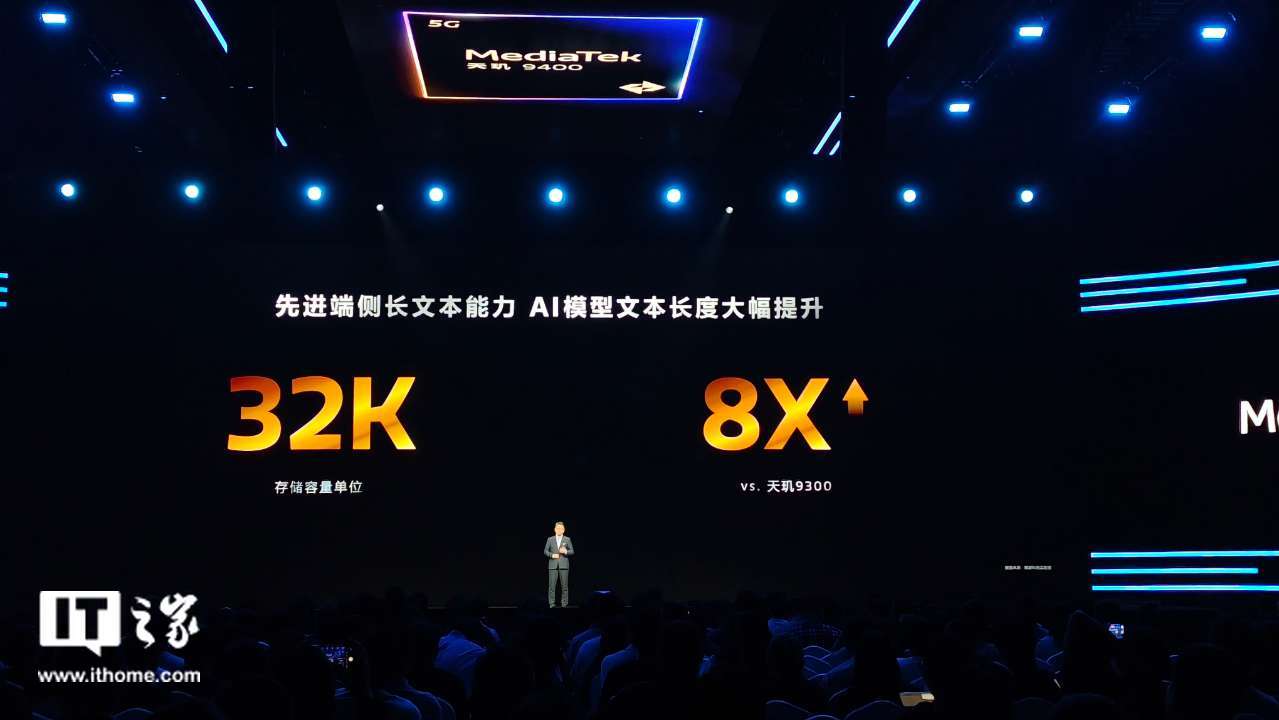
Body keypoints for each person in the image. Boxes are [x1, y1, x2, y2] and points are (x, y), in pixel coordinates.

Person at [544, 521, 574, 609]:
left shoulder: (567, 539)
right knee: (551, 587)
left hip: (564, 565)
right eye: (557, 528)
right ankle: (552, 604)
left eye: (561, 528)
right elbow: (545, 551)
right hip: (552, 566)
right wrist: (552, 555)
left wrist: (566, 551)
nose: (559, 530)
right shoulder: (550, 539)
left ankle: (564, 604)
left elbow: (572, 551)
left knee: (564, 587)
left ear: (564, 530)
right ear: (555, 529)